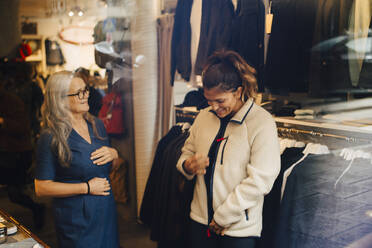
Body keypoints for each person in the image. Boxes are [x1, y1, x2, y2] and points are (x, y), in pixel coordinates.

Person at [176, 50, 280, 248]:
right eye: (209, 101)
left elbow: (261, 180)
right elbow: (186, 152)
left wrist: (223, 217)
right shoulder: (203, 117)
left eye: (220, 101)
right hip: (199, 221)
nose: (214, 107)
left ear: (238, 92)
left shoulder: (261, 123)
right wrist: (187, 165)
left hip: (238, 229)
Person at [34, 71, 119, 247]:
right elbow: (41, 187)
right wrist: (86, 187)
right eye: (79, 92)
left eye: (85, 90)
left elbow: (108, 168)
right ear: (61, 99)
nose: (86, 95)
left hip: (105, 214)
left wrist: (114, 154)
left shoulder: (97, 125)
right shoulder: (51, 136)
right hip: (76, 220)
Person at [0, 61, 45, 229]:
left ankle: (38, 209)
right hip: (11, 150)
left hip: (16, 151)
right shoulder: (13, 92)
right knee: (14, 192)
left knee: (14, 192)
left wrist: (3, 122)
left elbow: (24, 122)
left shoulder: (14, 96)